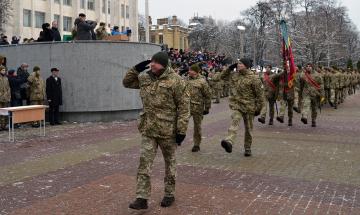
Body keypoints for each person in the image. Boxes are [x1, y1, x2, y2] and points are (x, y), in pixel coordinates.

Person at [123, 52, 190, 209]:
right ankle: (142, 198)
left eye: (156, 62)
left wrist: (181, 131)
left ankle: (169, 194)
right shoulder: (145, 78)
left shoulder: (177, 81)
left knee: (170, 164)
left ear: (164, 65)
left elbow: (184, 107)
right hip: (148, 129)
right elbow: (126, 82)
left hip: (168, 131)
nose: (152, 64)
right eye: (151, 61)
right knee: (144, 163)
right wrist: (136, 69)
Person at [220, 58, 264, 157]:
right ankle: (229, 141)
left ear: (246, 65)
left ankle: (247, 148)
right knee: (235, 121)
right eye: (238, 63)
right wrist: (229, 69)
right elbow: (221, 77)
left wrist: (259, 109)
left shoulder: (254, 78)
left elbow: (260, 96)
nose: (238, 65)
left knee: (248, 129)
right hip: (237, 105)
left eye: (240, 64)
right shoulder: (235, 75)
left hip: (249, 107)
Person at [185, 63, 211, 152]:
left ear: (196, 72)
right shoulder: (186, 80)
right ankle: (178, 138)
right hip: (186, 106)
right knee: (181, 122)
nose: (189, 71)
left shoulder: (202, 81)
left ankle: (196, 144)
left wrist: (207, 108)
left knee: (197, 127)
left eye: (191, 70)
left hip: (198, 107)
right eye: (189, 70)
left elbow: (207, 95)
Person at [0, 65, 11, 131]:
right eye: (2, 70)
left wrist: (8, 95)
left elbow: (8, 88)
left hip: (6, 97)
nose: (4, 71)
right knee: (0, 112)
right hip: (0, 97)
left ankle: (4, 125)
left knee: (5, 112)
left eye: (4, 70)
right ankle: (0, 125)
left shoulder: (6, 78)